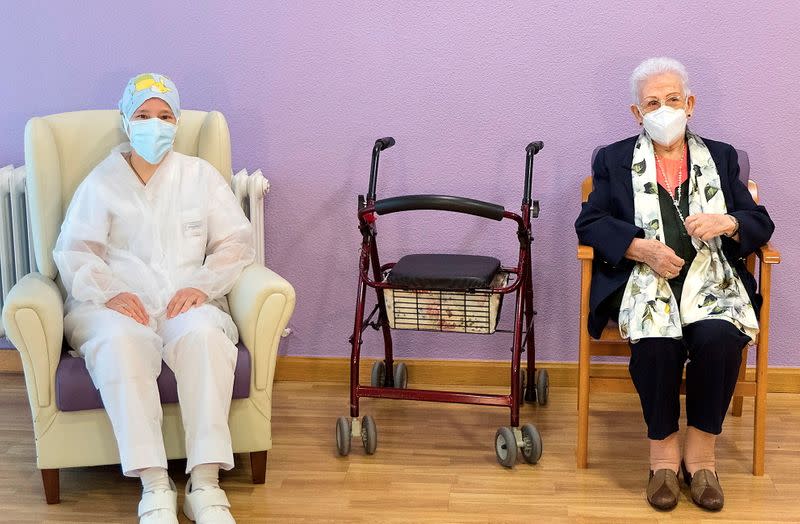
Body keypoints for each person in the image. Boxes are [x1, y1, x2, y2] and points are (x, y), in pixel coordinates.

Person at [53, 73, 255, 524]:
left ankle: (205, 484)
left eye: (164, 116)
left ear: (177, 122)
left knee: (204, 336)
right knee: (120, 345)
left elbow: (236, 243)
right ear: (126, 120)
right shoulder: (101, 182)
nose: (154, 125)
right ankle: (155, 486)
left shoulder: (199, 177)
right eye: (143, 115)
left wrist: (202, 284)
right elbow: (74, 252)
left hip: (185, 301)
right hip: (114, 306)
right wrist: (109, 292)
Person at [575, 58, 774, 511]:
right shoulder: (614, 158)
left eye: (671, 100)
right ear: (636, 113)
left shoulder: (722, 157)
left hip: (711, 280)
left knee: (719, 337)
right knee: (657, 343)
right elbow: (590, 222)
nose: (663, 110)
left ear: (690, 103)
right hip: (646, 280)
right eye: (651, 103)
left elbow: (760, 222)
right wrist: (639, 248)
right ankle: (663, 457)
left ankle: (702, 455)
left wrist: (727, 221)